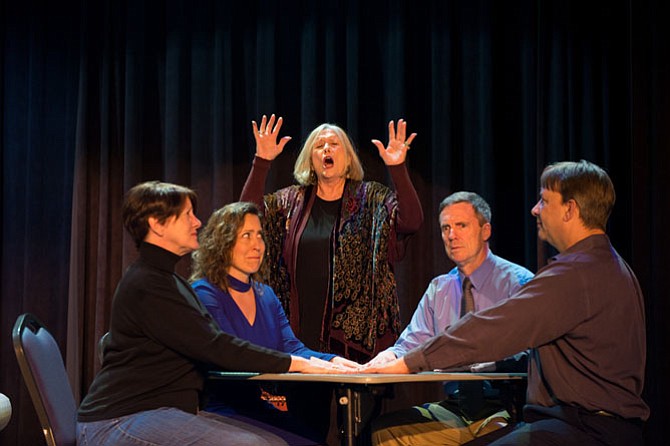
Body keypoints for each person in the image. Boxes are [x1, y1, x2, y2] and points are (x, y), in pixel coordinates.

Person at [362, 161, 649, 446]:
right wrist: (395, 357)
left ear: (570, 209)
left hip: (584, 427)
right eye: (446, 227)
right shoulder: (611, 266)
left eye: (544, 200)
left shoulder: (574, 273)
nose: (535, 209)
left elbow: (494, 329)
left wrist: (410, 363)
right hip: (582, 423)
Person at [77, 181, 346, 446]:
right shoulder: (148, 284)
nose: (197, 222)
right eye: (187, 215)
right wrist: (298, 363)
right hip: (121, 418)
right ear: (156, 225)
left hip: (163, 412)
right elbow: (216, 347)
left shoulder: (170, 281)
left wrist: (325, 361)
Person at [240, 114, 424, 439]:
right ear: (311, 158)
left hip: (358, 346)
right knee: (304, 433)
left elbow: (410, 221)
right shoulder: (291, 201)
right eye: (319, 145)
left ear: (346, 156)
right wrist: (262, 163)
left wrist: (398, 168)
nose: (327, 148)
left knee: (358, 434)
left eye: (334, 143)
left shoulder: (371, 198)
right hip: (302, 346)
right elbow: (246, 217)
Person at [367, 191, 534, 445]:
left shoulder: (517, 282)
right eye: (446, 228)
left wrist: (485, 364)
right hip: (456, 407)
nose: (452, 236)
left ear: (485, 230)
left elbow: (532, 351)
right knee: (384, 432)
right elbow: (411, 344)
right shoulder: (439, 289)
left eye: (461, 226)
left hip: (506, 406)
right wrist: (385, 358)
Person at [190, 201, 358, 443]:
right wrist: (301, 364)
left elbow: (292, 348)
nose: (257, 245)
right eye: (246, 235)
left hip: (260, 409)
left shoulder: (265, 295)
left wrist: (333, 361)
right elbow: (230, 354)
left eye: (259, 235)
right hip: (222, 410)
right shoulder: (204, 293)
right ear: (221, 243)